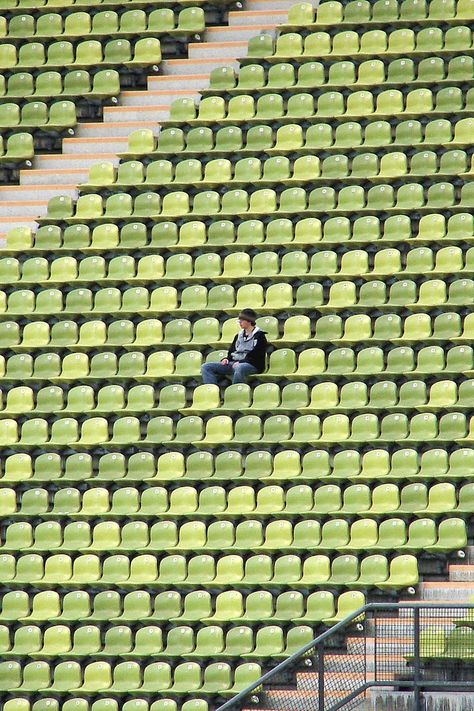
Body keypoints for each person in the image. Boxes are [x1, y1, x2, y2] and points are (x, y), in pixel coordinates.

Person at [201, 308, 268, 386]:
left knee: (239, 368)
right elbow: (232, 351)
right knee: (206, 367)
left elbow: (257, 355)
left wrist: (241, 362)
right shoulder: (238, 335)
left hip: (252, 364)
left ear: (249, 321)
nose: (240, 323)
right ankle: (212, 391)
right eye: (239, 321)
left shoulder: (260, 336)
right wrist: (226, 359)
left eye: (242, 321)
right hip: (234, 362)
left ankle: (236, 392)